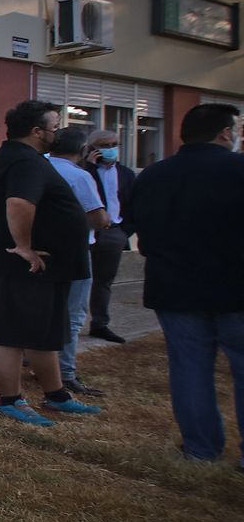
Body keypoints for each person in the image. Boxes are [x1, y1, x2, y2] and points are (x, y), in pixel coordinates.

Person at [125, 103, 244, 466]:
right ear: (225, 133)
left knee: (189, 367)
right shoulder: (238, 169)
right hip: (235, 288)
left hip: (174, 288)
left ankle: (200, 450)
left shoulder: (153, 175)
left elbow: (140, 232)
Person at [0, 100, 103, 426]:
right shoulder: (23, 162)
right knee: (13, 333)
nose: (58, 132)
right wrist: (23, 246)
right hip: (19, 266)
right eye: (54, 126)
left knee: (45, 332)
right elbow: (19, 202)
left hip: (45, 268)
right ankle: (11, 400)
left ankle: (56, 395)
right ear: (37, 132)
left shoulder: (27, 158)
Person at [46, 128, 110, 396]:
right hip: (74, 252)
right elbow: (98, 218)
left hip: (40, 250)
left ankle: (41, 360)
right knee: (72, 314)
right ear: (83, 150)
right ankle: (65, 371)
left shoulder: (39, 168)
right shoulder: (79, 176)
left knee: (44, 311)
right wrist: (106, 222)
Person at [84, 128, 137, 343]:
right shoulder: (85, 171)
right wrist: (88, 164)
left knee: (103, 281)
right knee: (78, 280)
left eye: (114, 145)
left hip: (114, 232)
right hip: (87, 233)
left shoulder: (126, 173)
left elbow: (132, 204)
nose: (110, 149)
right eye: (104, 145)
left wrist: (125, 232)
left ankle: (100, 323)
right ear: (92, 148)